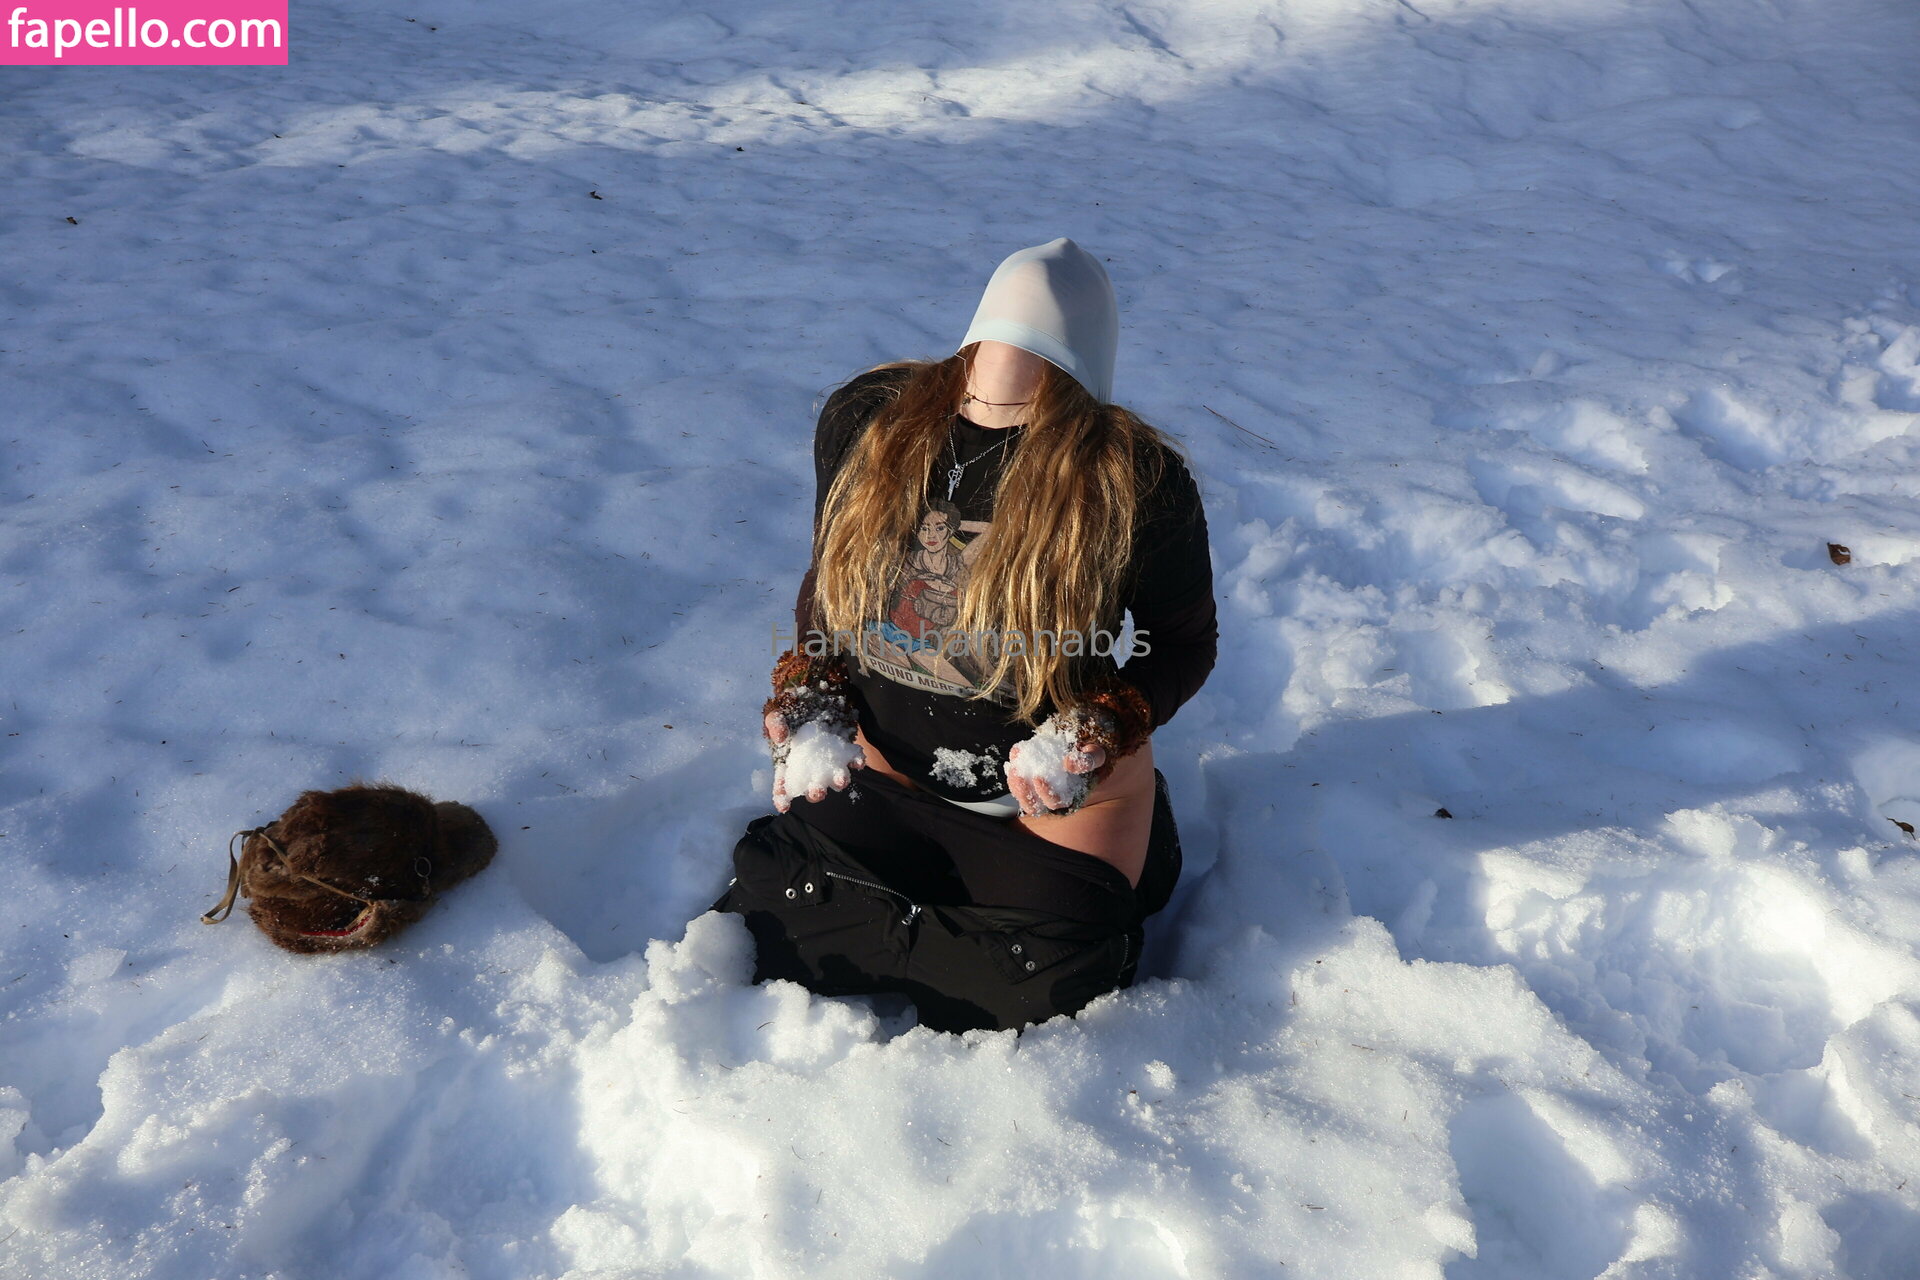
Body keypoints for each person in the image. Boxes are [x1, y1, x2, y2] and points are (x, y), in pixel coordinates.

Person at [716, 238, 1216, 1033]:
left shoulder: (1132, 477)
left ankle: (1112, 866)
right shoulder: (868, 419)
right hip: (888, 766)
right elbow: (832, 579)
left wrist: (1101, 724)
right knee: (762, 926)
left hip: (1049, 800)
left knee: (1048, 989)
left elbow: (1182, 644)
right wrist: (812, 688)